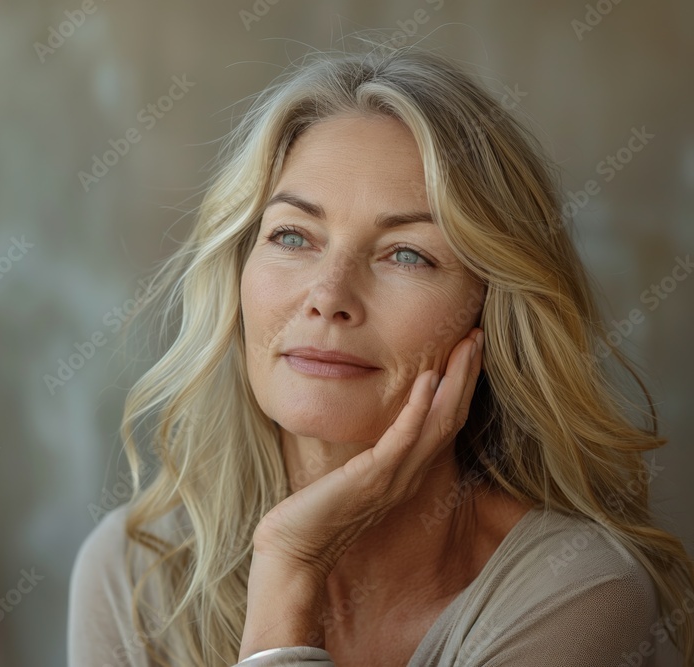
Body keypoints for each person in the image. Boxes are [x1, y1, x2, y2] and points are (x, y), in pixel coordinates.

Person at [67, 42, 694, 666]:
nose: (329, 296)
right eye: (292, 235)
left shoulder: (574, 592)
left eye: (406, 253)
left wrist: (291, 567)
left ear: (491, 312)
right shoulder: (136, 574)